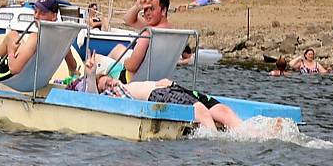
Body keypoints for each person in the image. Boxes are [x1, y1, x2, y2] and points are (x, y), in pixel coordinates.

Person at [79, 53, 242, 130]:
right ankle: (215, 143)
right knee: (201, 112)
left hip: (172, 88)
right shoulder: (116, 93)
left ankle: (250, 132)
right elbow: (94, 100)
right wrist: (92, 75)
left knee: (222, 111)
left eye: (107, 80)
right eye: (104, 86)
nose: (108, 84)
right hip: (158, 95)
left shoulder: (125, 83)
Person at [0, 0, 78, 90]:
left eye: (42, 13)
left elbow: (14, 69)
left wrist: (10, 50)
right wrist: (72, 81)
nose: (36, 16)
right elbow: (73, 67)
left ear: (54, 16)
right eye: (35, 11)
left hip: (18, 80)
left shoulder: (35, 38)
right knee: (12, 35)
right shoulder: (62, 41)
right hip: (38, 81)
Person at [105, 0, 172, 83]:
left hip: (133, 80)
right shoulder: (172, 32)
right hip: (158, 79)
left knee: (98, 59)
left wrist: (125, 61)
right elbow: (128, 20)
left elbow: (132, 67)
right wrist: (137, 7)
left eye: (152, 9)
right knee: (118, 48)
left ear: (163, 11)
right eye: (145, 9)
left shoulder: (147, 34)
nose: (147, 13)